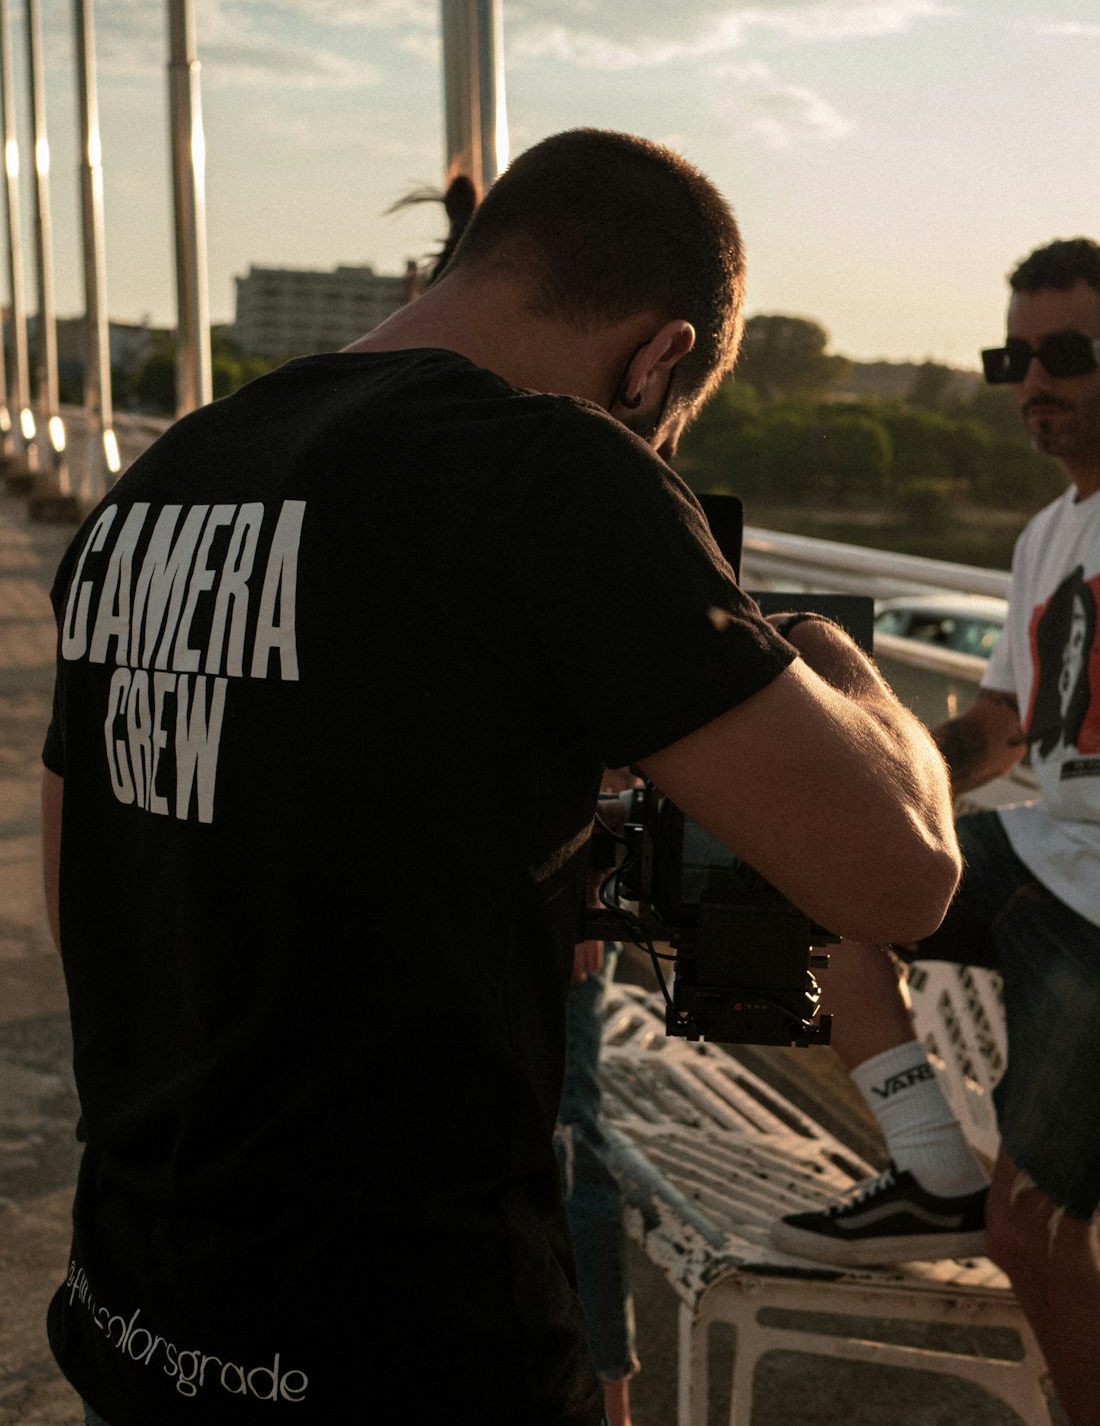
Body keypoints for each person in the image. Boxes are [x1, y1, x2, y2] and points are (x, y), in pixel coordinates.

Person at [42, 127, 960, 1426]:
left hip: (139, 1314)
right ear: (656, 359)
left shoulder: (162, 479)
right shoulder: (550, 467)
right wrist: (808, 650)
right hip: (403, 1343)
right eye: (662, 428)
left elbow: (80, 886)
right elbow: (902, 873)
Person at [773, 237, 1100, 1426]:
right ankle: (930, 1166)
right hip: (1050, 853)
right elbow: (997, 729)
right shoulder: (1045, 533)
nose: (1034, 381)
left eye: (1063, 353)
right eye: (1013, 359)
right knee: (822, 881)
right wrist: (863, 784)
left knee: (1036, 1236)